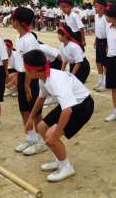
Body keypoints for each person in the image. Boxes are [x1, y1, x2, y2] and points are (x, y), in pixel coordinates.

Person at [23, 49, 94, 182]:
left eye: (26, 69)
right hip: (70, 104)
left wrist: (55, 134)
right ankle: (59, 160)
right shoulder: (43, 77)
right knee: (41, 127)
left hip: (83, 105)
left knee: (51, 135)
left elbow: (67, 111)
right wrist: (30, 118)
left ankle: (67, 167)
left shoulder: (56, 80)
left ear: (33, 70)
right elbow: (41, 98)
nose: (25, 72)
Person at [9, 7, 45, 156]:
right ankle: (31, 138)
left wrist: (27, 84)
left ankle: (41, 142)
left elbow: (32, 65)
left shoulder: (30, 40)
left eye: (13, 19)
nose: (11, 21)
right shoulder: (19, 38)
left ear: (19, 22)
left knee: (35, 112)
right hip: (23, 76)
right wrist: (18, 78)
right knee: (24, 109)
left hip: (32, 78)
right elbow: (20, 62)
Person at [94, 0, 108, 91]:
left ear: (102, 7)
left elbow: (108, 32)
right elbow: (97, 29)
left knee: (105, 63)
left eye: (97, 6)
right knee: (98, 61)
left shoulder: (105, 18)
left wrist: (108, 45)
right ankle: (100, 80)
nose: (95, 8)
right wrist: (96, 40)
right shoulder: (96, 16)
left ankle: (105, 82)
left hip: (105, 41)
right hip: (99, 40)